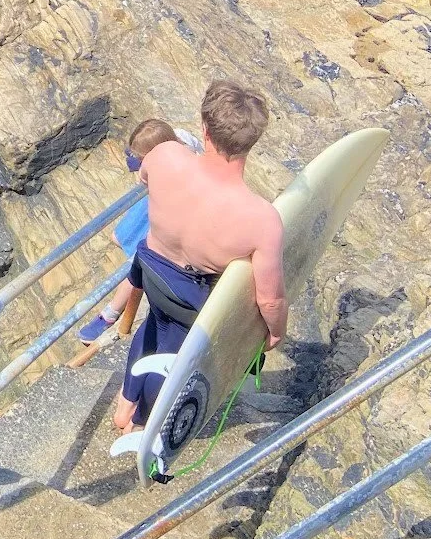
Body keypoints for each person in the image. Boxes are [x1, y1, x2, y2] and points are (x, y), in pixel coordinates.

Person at [112, 81, 286, 436]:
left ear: (204, 128)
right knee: (171, 355)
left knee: (152, 325)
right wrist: (274, 333)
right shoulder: (262, 219)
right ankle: (141, 424)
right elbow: (269, 299)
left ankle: (125, 404)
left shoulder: (163, 155)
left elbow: (146, 179)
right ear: (252, 141)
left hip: (150, 269)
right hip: (188, 297)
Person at [78, 119, 203, 345]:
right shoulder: (174, 140)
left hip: (170, 213)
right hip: (156, 202)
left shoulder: (182, 166)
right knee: (121, 239)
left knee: (139, 258)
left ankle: (111, 313)